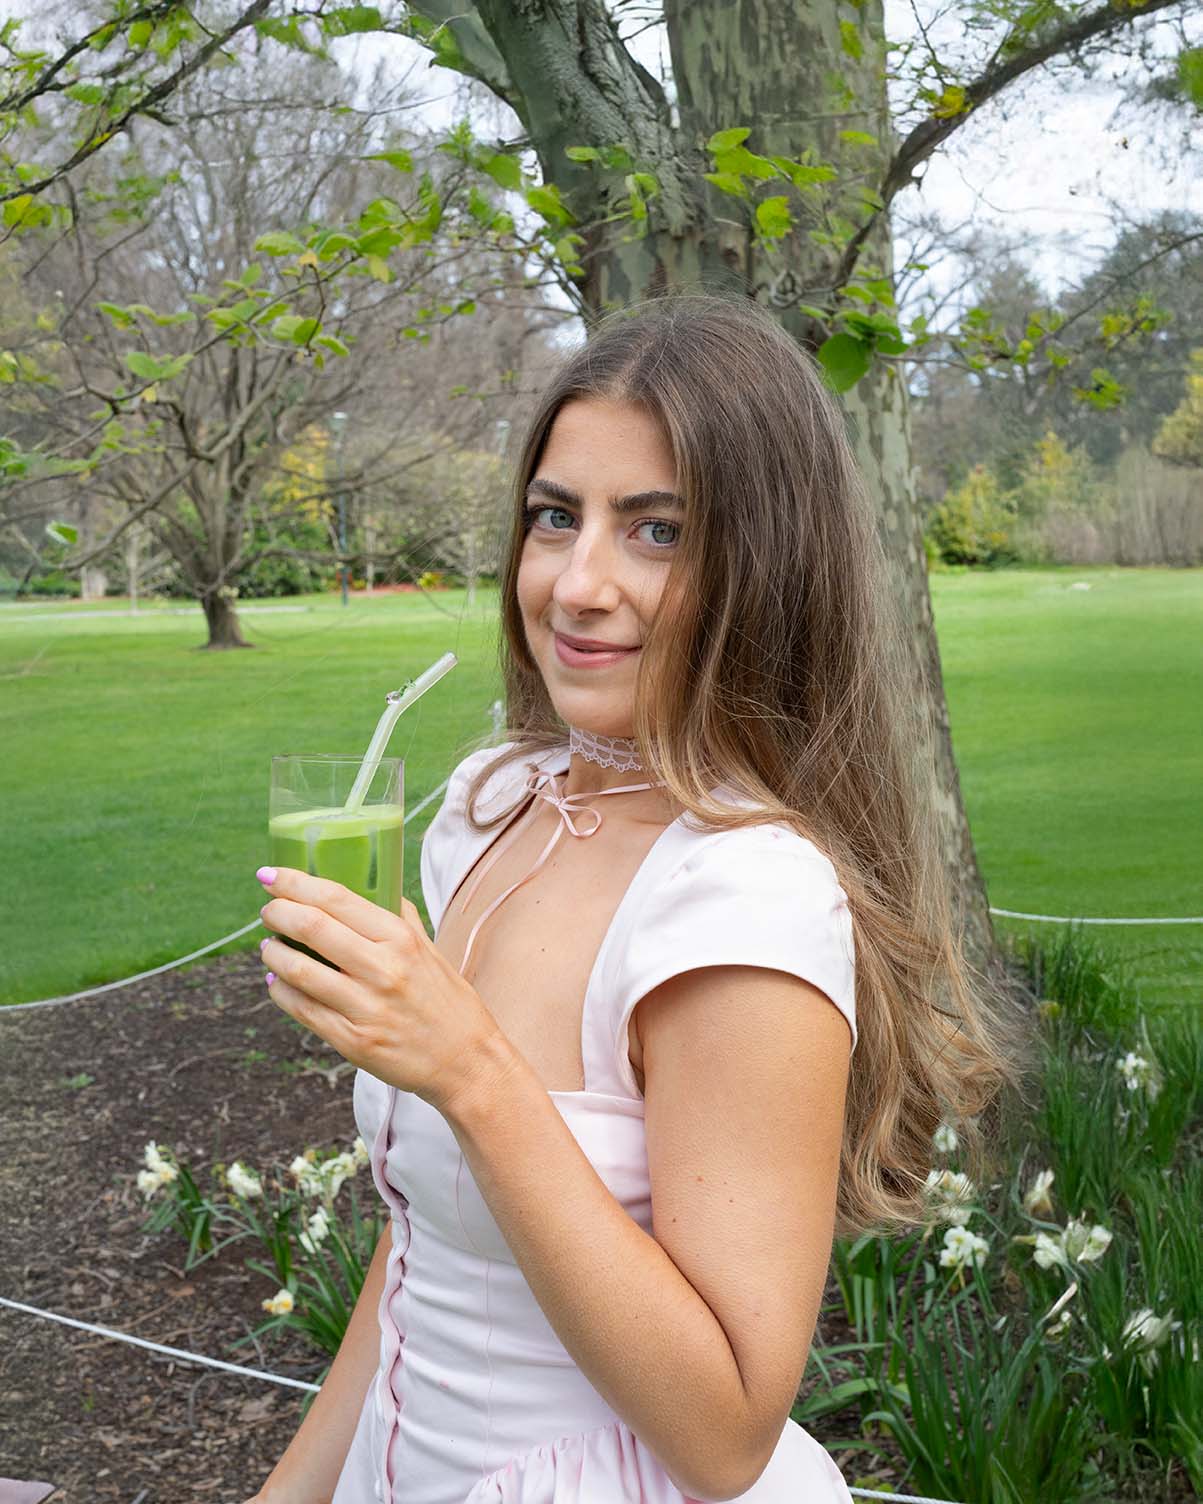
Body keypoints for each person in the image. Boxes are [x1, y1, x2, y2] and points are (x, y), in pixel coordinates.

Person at [249, 291, 1028, 1504]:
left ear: (765, 563)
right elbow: (425, 1247)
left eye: (655, 530)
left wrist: (469, 1070)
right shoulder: (488, 810)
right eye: (555, 518)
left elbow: (722, 1436)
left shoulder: (744, 898)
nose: (577, 582)